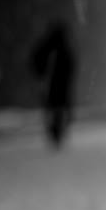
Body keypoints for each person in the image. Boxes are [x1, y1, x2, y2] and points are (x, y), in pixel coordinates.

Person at [31, 20, 75, 148]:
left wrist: (41, 74)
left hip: (54, 84)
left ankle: (56, 135)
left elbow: (37, 60)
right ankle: (57, 135)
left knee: (55, 107)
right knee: (58, 107)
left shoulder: (51, 46)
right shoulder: (60, 47)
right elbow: (70, 65)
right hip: (57, 84)